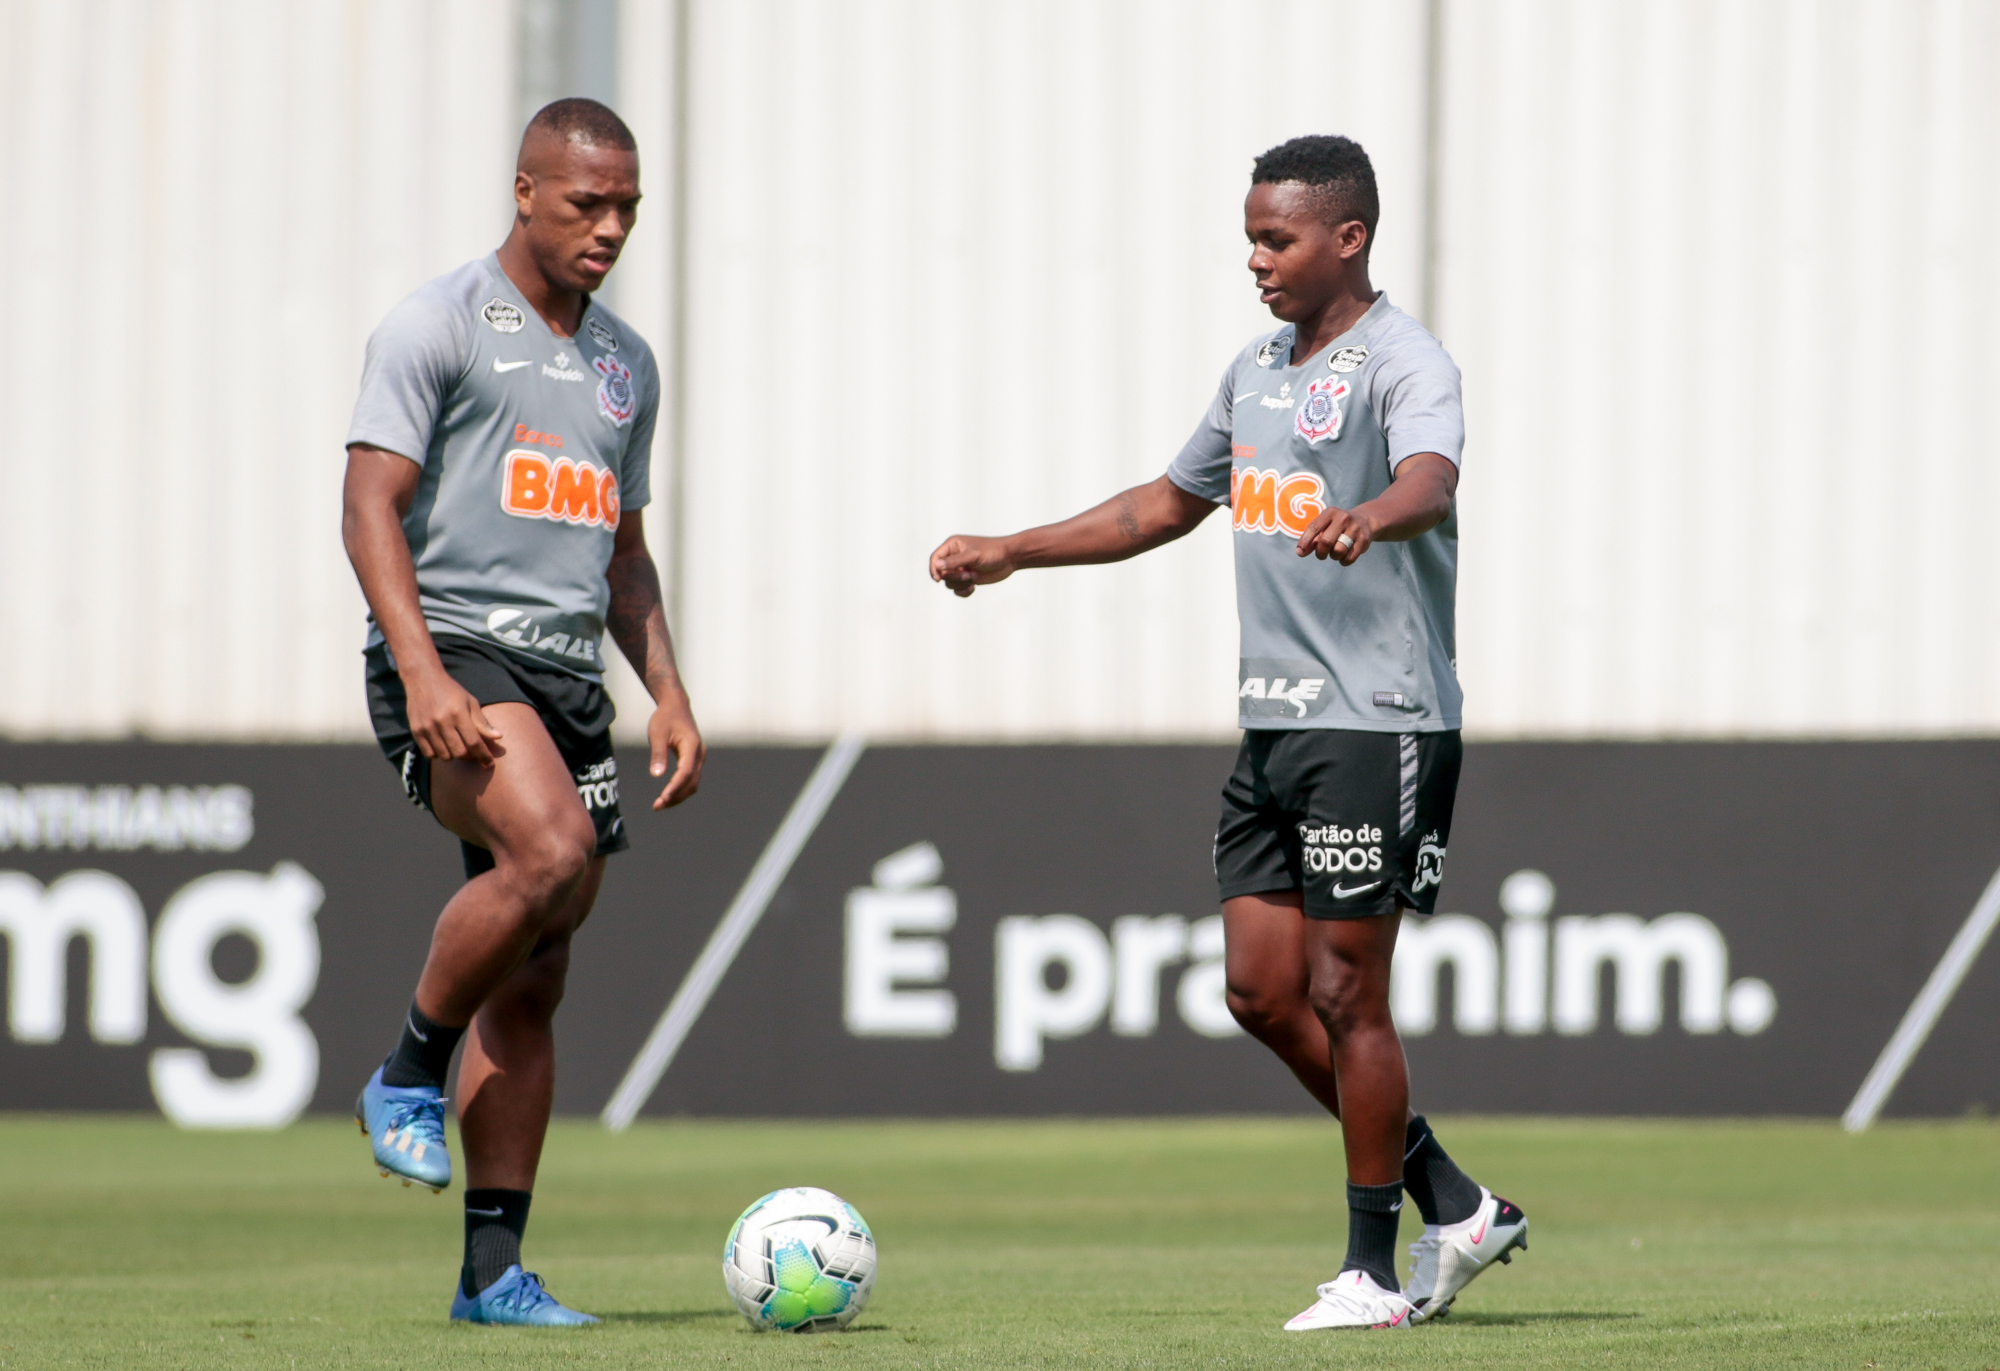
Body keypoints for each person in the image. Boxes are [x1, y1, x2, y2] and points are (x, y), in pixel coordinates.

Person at [928, 135, 1525, 1331]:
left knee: (1347, 990)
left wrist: (1372, 514)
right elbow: (1163, 504)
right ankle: (1452, 1203)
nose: (1253, 259)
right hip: (1273, 727)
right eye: (1250, 235)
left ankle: (1368, 1277)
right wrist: (1013, 550)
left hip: (1378, 719)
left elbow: (1431, 479)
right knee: (1260, 994)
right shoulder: (1253, 370)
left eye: (1276, 238)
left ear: (1345, 238)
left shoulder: (1402, 360)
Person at [340, 97, 704, 1326]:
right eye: (586, 203)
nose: (610, 228)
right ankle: (406, 1071)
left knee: (538, 971)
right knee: (546, 851)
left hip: (561, 677)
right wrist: (424, 672)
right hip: (449, 650)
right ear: (525, 190)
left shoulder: (624, 366)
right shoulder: (436, 325)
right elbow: (367, 510)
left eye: (627, 209)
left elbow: (624, 556)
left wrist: (669, 694)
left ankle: (492, 1277)